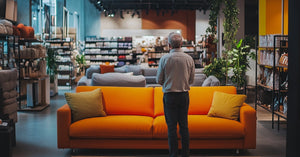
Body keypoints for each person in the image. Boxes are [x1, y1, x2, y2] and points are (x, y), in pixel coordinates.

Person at [156, 32, 195, 157]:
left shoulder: (164, 59)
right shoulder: (189, 59)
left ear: (169, 45)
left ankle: (173, 154)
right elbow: (191, 80)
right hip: (184, 95)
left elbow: (159, 80)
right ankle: (185, 154)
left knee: (171, 128)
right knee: (184, 126)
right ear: (182, 44)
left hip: (169, 96)